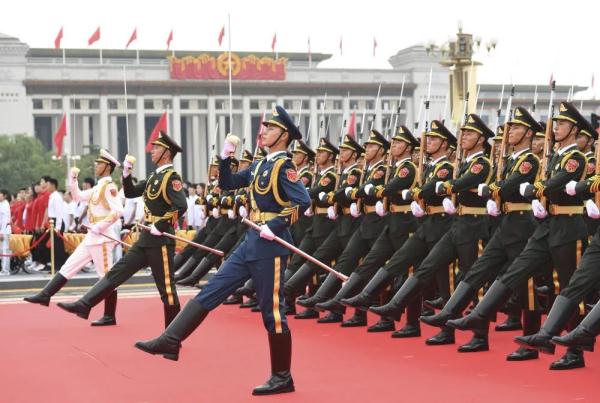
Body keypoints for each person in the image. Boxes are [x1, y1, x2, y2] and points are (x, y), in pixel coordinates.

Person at [134, 106, 310, 396]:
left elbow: (303, 203)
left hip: (270, 245)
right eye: (264, 128)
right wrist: (226, 157)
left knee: (272, 312)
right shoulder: (260, 164)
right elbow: (228, 184)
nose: (263, 132)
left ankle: (282, 376)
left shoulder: (284, 167)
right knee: (211, 290)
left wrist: (276, 225)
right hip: (251, 241)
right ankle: (171, 339)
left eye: (270, 128)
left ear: (285, 135)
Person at [57, 132, 188, 328]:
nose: (152, 151)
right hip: (145, 239)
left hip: (160, 240)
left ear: (167, 153)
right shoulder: (154, 177)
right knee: (117, 272)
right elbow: (131, 192)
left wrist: (160, 226)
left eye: (156, 148)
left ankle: (172, 336)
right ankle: (85, 304)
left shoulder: (171, 178)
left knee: (167, 289)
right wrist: (126, 174)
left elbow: (180, 205)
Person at [24, 150, 124, 325]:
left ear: (107, 167)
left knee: (106, 277)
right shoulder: (98, 187)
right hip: (92, 236)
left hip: (102, 237)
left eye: (99, 163)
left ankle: (109, 315)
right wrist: (73, 179)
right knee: (69, 266)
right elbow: (77, 196)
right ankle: (45, 295)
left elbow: (118, 211)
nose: (96, 165)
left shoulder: (109, 186)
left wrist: (100, 226)